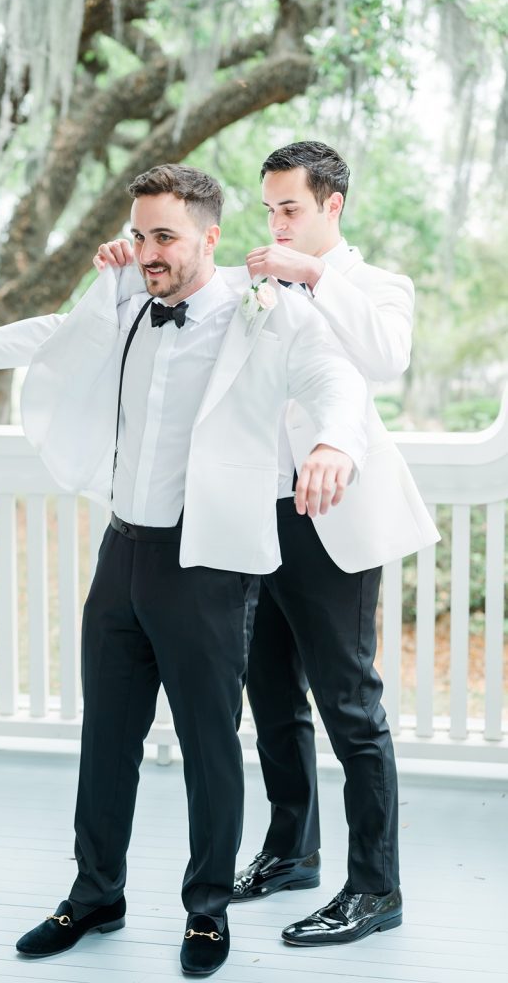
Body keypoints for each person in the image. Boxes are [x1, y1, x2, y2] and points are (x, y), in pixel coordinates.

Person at [0, 163, 368, 975]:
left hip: (206, 565)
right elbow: (49, 331)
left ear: (210, 238)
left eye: (165, 237)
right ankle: (94, 894)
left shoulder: (265, 312)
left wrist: (331, 442)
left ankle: (208, 911)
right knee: (106, 736)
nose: (147, 251)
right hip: (124, 552)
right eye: (141, 232)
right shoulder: (123, 302)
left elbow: (332, 375)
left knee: (209, 744)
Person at [234, 141, 440, 945]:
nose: (277, 224)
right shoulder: (260, 284)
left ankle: (376, 887)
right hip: (260, 514)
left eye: (291, 208)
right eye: (270, 210)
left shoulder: (377, 285)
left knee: (350, 704)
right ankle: (291, 853)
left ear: (332, 206)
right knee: (270, 692)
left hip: (336, 514)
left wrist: (314, 277)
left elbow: (385, 358)